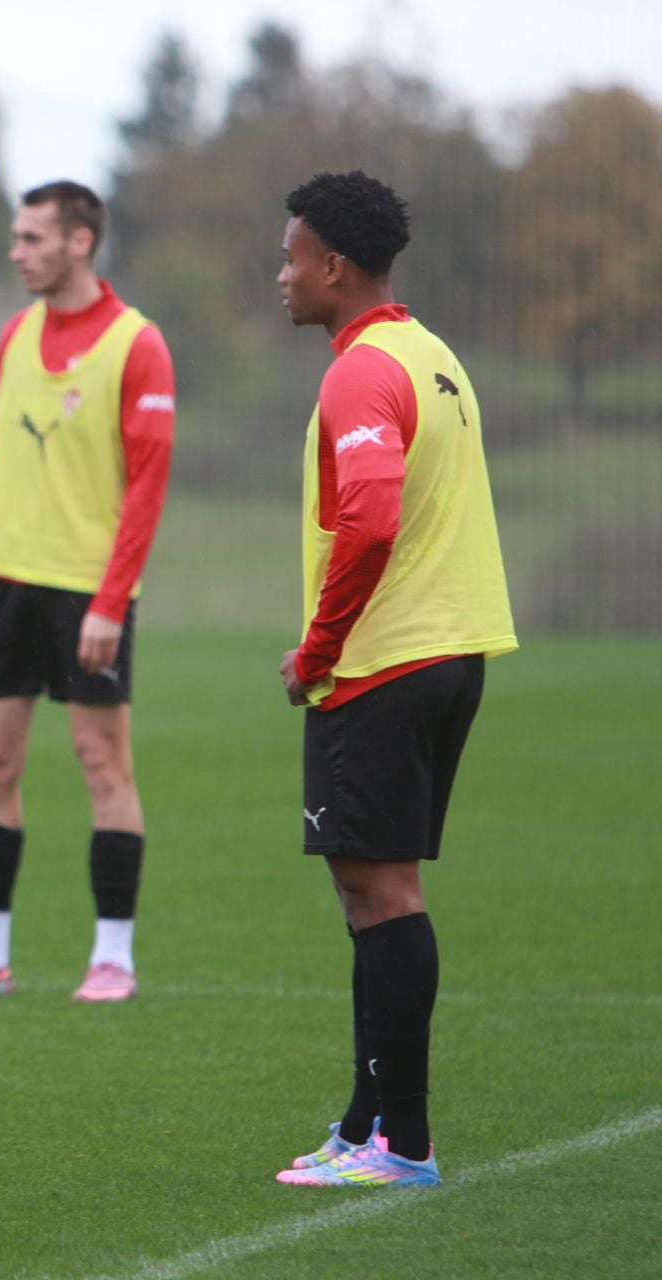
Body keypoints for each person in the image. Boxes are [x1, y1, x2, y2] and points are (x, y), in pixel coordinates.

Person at [268, 170, 516, 1189]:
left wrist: (317, 650)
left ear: (333, 265)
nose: (279, 274)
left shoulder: (362, 371)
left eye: (290, 257)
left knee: (383, 892)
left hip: (385, 658)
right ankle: (364, 1118)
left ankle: (402, 1143)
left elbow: (368, 520)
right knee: (369, 888)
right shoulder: (435, 355)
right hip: (450, 651)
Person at [0, 181, 174, 1004]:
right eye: (16, 238)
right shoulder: (16, 333)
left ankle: (113, 960)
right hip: (1, 587)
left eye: (32, 238)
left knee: (103, 766)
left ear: (79, 241)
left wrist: (109, 599)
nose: (17, 251)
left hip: (87, 593)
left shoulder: (138, 344)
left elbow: (147, 484)